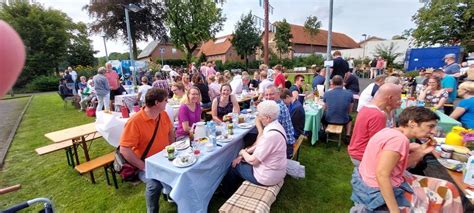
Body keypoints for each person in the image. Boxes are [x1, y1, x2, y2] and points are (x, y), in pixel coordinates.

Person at [352, 107, 463, 212]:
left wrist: (421, 151)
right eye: (430, 126)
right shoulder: (398, 140)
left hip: (369, 182)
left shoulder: (390, 131)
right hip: (376, 190)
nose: (433, 131)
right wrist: (394, 210)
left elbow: (397, 167)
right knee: (448, 190)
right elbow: (382, 174)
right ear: (412, 123)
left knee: (448, 187)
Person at [119, 88, 174, 213]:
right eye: (165, 100)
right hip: (145, 164)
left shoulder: (163, 114)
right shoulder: (135, 121)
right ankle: (152, 210)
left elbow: (171, 131)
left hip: (165, 159)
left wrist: (172, 149)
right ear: (157, 103)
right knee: (154, 184)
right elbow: (124, 149)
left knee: (179, 173)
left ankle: (176, 197)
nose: (167, 102)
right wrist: (143, 166)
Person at [222, 100, 287, 196]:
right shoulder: (276, 126)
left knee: (234, 166)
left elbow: (253, 161)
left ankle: (226, 193)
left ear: (268, 118)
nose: (259, 117)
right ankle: (236, 184)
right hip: (276, 171)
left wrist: (242, 153)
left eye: (260, 115)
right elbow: (260, 145)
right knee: (241, 160)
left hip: (268, 177)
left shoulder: (271, 135)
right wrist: (246, 151)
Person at [348, 83, 402, 166]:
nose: (400, 101)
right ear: (390, 98)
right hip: (363, 156)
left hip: (356, 152)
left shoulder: (366, 107)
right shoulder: (378, 115)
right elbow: (379, 144)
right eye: (398, 99)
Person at [264, 86, 296, 158]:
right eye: (266, 94)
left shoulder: (277, 108)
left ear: (278, 94)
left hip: (286, 146)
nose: (268, 97)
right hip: (286, 141)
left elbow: (270, 131)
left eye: (272, 94)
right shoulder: (278, 104)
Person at [323, 75, 353, 141]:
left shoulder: (327, 93)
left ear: (332, 83)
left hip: (329, 119)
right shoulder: (349, 94)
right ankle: (347, 135)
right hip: (344, 120)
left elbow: (325, 108)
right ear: (342, 83)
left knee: (322, 117)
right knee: (350, 118)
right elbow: (350, 110)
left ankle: (325, 131)